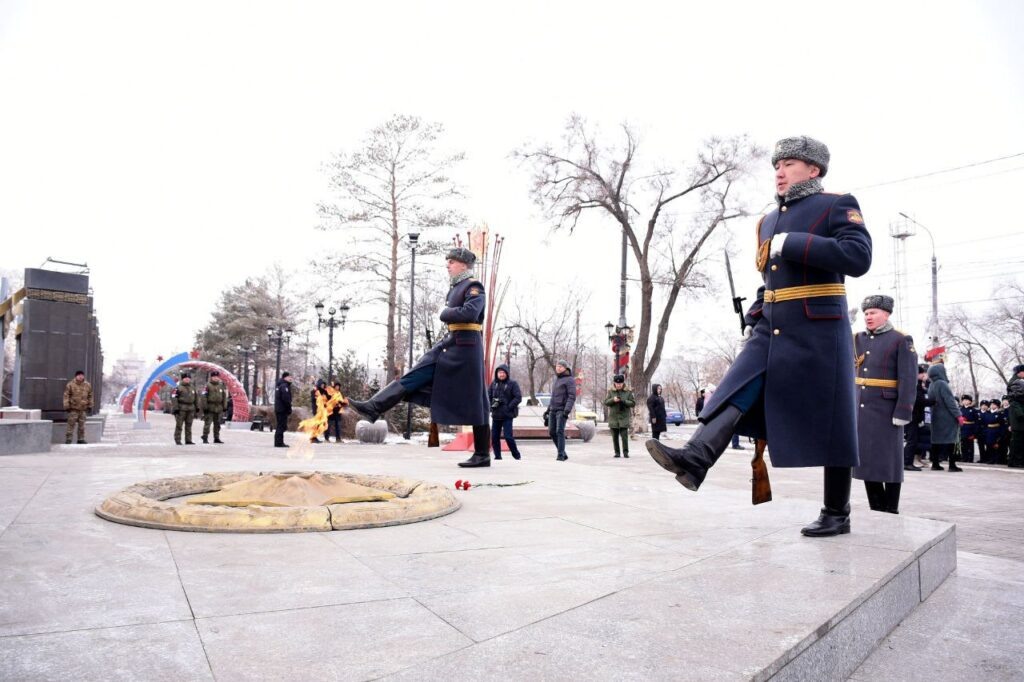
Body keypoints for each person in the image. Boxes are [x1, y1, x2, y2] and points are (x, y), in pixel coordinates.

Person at [646, 135, 872, 537]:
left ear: (814, 169)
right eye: (776, 165)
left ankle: (837, 511)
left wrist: (795, 243)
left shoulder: (837, 204)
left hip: (819, 328)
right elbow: (771, 279)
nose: (780, 172)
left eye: (789, 164)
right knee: (737, 385)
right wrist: (755, 313)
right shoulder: (767, 220)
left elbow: (857, 258)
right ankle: (696, 458)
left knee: (835, 421)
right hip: (772, 323)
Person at [349, 247, 491, 468]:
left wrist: (445, 313)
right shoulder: (456, 287)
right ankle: (373, 406)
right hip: (450, 344)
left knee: (476, 400)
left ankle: (482, 454)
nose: (448, 265)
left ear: (463, 265)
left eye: (451, 262)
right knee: (414, 375)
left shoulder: (474, 286)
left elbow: (470, 314)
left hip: (466, 350)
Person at [851, 295, 918, 514]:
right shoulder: (857, 339)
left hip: (887, 410)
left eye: (873, 313)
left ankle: (891, 508)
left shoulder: (901, 339)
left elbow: (908, 378)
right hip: (861, 408)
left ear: (886, 314)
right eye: (866, 313)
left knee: (889, 461)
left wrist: (904, 410)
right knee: (866, 462)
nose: (868, 317)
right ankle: (876, 507)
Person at [926, 364, 962, 472]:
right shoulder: (943, 384)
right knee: (952, 440)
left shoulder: (931, 385)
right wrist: (958, 415)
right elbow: (950, 401)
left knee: (936, 441)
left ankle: (935, 463)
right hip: (947, 417)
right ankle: (952, 465)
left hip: (935, 416)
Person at [488, 364, 523, 460]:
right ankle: (497, 456)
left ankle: (516, 455)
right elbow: (488, 396)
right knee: (494, 437)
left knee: (508, 436)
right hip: (496, 414)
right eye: (499, 372)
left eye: (503, 372)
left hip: (507, 415)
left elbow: (518, 397)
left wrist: (509, 406)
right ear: (497, 374)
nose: (501, 374)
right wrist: (492, 406)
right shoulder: (493, 383)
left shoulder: (513, 383)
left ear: (507, 373)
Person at [904, 364, 933, 471]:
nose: (924, 375)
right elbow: (920, 400)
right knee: (912, 441)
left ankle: (908, 462)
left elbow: (924, 392)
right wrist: (933, 401)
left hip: (914, 416)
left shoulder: (917, 384)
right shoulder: (914, 385)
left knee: (913, 440)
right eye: (922, 373)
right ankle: (907, 463)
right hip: (913, 416)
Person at [548, 360, 576, 461]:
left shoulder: (570, 380)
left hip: (562, 410)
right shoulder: (556, 379)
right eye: (557, 366)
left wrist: (566, 411)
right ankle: (563, 452)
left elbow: (572, 396)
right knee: (551, 432)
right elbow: (553, 396)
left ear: (565, 368)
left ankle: (560, 455)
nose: (558, 368)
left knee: (559, 431)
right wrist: (548, 410)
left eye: (560, 366)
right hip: (553, 409)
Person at [605, 374, 635, 458]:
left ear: (623, 383)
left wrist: (624, 401)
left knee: (624, 437)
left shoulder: (628, 392)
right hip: (613, 418)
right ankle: (617, 453)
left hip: (624, 418)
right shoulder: (610, 391)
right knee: (615, 437)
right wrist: (613, 400)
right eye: (617, 384)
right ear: (614, 383)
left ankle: (625, 452)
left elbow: (633, 403)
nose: (618, 385)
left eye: (620, 384)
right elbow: (606, 402)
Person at [62, 370, 93, 444]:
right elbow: (66, 396)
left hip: (83, 409)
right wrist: (66, 406)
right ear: (76, 376)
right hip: (73, 408)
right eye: (79, 375)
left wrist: (90, 405)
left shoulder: (87, 385)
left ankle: (81, 439)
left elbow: (90, 396)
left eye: (82, 375)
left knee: (82, 426)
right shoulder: (70, 384)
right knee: (71, 425)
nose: (81, 377)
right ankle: (68, 439)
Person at [200, 371, 228, 444]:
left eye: (217, 377)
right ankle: (205, 437)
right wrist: (205, 407)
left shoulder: (221, 386)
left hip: (219, 407)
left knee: (217, 424)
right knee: (207, 424)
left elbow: (224, 397)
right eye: (214, 377)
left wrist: (224, 406)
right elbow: (203, 397)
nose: (216, 378)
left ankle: (216, 438)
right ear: (211, 377)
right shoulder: (207, 386)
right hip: (210, 407)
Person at [171, 373, 199, 445]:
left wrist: (197, 407)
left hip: (190, 409)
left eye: (188, 378)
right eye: (185, 378)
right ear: (182, 379)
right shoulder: (178, 387)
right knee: (179, 425)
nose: (187, 379)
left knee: (189, 425)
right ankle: (178, 440)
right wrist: (176, 408)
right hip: (181, 408)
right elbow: (174, 398)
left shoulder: (192, 387)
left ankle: (188, 440)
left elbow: (196, 398)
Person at [1007, 364, 1024, 468]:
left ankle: (1017, 460)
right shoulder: (1016, 382)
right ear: (1020, 372)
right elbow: (1015, 401)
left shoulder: (1018, 381)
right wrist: (1021, 415)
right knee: (1017, 440)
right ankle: (1015, 461)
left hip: (1019, 415)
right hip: (1019, 417)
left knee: (1019, 440)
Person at [274, 371, 293, 448]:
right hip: (282, 409)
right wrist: (289, 408)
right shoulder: (284, 386)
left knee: (280, 426)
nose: (291, 378)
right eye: (289, 377)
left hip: (279, 409)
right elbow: (286, 399)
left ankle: (278, 442)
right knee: (281, 426)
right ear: (285, 377)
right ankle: (279, 442)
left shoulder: (280, 385)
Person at [958, 395, 978, 463]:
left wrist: (974, 433)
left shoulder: (973, 410)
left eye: (967, 400)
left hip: (970, 429)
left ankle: (970, 458)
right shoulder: (960, 409)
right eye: (963, 400)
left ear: (970, 401)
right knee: (963, 444)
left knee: (970, 445)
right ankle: (964, 457)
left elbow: (976, 422)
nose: (965, 401)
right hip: (962, 428)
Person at [309, 379, 329, 443]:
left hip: (322, 411)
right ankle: (313, 438)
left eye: (324, 385)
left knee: (319, 424)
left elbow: (327, 399)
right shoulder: (315, 391)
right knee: (316, 424)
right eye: (322, 385)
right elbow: (313, 400)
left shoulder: (324, 392)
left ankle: (315, 437)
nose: (323, 386)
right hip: (317, 410)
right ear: (319, 384)